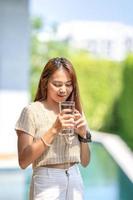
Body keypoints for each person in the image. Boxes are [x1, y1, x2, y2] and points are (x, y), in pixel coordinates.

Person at [15, 57, 91, 200]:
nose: (63, 90)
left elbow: (85, 162)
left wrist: (83, 135)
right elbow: (23, 161)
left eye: (69, 84)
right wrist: (54, 129)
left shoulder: (76, 111)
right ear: (45, 83)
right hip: (47, 181)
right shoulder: (31, 112)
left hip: (75, 178)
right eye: (57, 84)